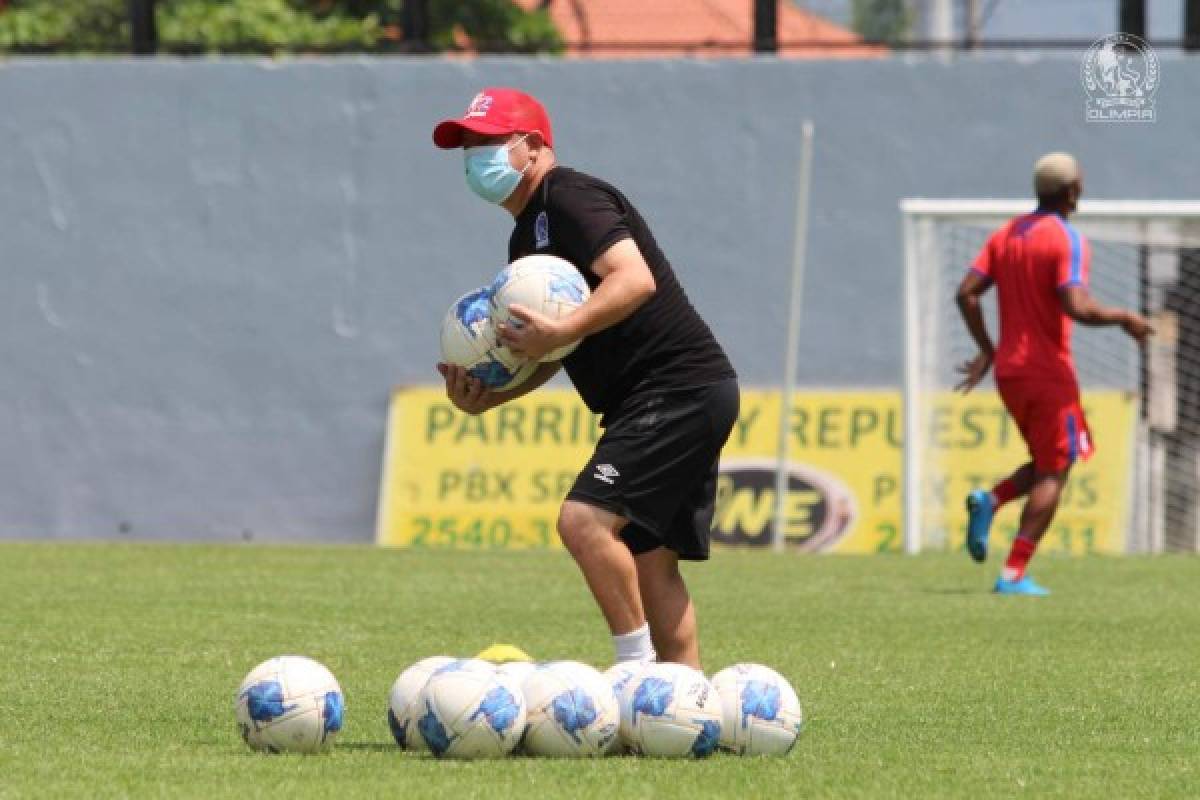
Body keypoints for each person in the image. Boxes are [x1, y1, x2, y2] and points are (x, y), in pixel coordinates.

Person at [431, 88, 739, 666]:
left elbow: (633, 280)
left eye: (487, 142)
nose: (474, 155)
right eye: (467, 145)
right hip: (680, 394)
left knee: (583, 521)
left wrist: (562, 325)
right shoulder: (525, 236)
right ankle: (684, 707)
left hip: (676, 388)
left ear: (532, 146)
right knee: (651, 564)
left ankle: (633, 673)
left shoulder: (569, 196)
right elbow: (553, 350)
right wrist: (490, 398)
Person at [955, 152, 1153, 596]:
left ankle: (992, 500)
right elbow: (1077, 306)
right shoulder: (1065, 239)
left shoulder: (1005, 235)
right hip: (1048, 372)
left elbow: (966, 293)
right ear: (1073, 191)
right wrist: (1124, 317)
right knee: (1055, 472)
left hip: (1009, 371)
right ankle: (1013, 575)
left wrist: (988, 349)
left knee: (1049, 461)